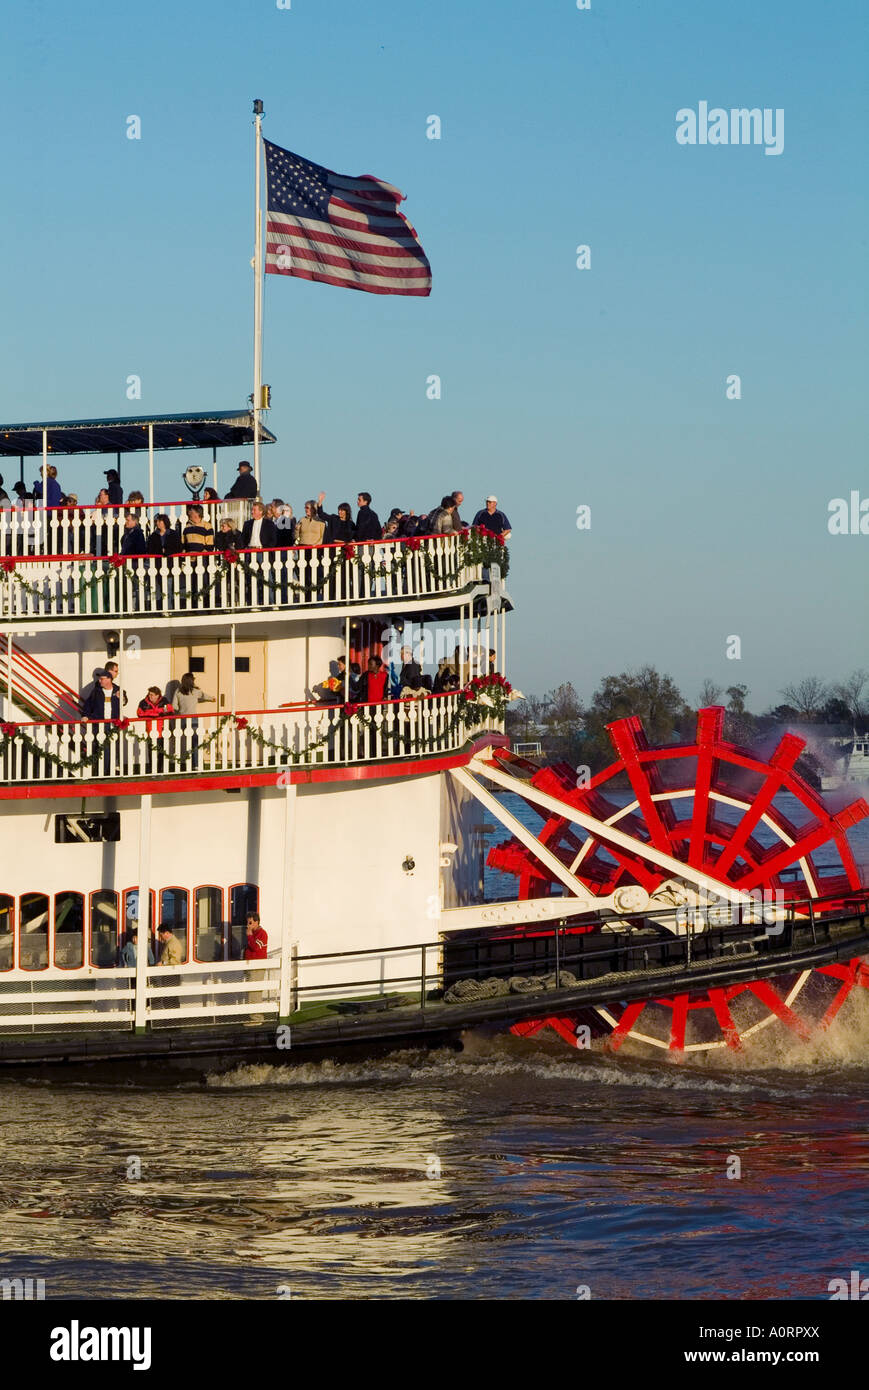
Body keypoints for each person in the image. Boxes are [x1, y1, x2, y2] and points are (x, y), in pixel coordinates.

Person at [243, 912, 268, 1020]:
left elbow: (255, 948)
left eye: (250, 922)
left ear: (256, 922)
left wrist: (249, 936)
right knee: (251, 991)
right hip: (251, 966)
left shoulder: (262, 933)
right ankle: (254, 1016)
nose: (248, 925)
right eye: (247, 922)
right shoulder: (254, 933)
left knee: (255, 992)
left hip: (257, 966)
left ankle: (257, 1018)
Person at [156, 924, 183, 1008]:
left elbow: (175, 960)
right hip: (170, 974)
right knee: (169, 997)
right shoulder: (170, 943)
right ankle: (172, 1019)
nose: (161, 937)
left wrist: (162, 963)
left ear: (166, 933)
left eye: (161, 935)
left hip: (172, 975)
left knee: (171, 998)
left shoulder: (173, 943)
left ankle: (174, 1020)